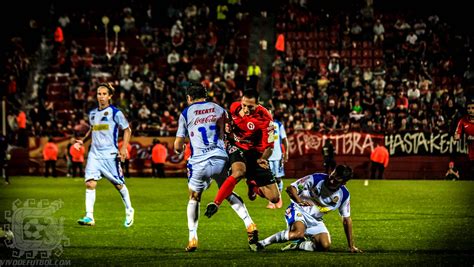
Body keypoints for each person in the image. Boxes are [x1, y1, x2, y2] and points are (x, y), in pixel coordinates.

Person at [252, 165, 362, 253]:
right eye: (331, 176)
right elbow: (291, 188)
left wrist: (351, 246)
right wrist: (299, 200)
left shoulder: (344, 195)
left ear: (343, 183)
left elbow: (346, 220)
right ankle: (262, 243)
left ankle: (299, 245)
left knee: (325, 245)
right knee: (298, 233)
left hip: (315, 220)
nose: (331, 181)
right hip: (298, 210)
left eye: (336, 180)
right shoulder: (316, 179)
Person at [205, 89, 280, 218]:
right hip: (237, 147)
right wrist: (226, 127)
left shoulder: (265, 118)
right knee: (239, 172)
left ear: (258, 104)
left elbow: (269, 147)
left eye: (250, 107)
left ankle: (253, 186)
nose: (245, 109)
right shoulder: (234, 107)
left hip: (256, 153)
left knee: (274, 198)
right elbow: (226, 119)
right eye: (244, 105)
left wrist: (263, 159)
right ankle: (216, 203)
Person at [173, 84, 230, 251]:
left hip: (199, 161)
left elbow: (178, 144)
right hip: (220, 157)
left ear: (189, 98)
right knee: (227, 190)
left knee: (194, 197)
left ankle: (192, 237)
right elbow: (229, 132)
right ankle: (249, 224)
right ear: (205, 96)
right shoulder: (219, 109)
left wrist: (179, 148)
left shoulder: (186, 112)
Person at [76, 83, 134, 227]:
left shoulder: (115, 112)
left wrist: (124, 148)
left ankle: (129, 209)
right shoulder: (93, 113)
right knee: (90, 183)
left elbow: (127, 130)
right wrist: (83, 141)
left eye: (104, 94)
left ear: (109, 96)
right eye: (98, 94)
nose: (101, 97)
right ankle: (89, 216)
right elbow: (92, 129)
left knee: (119, 184)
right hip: (94, 155)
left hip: (110, 155)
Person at [266, 107, 288, 209]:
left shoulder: (278, 125)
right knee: (268, 179)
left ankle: (279, 197)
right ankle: (271, 201)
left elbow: (284, 139)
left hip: (277, 156)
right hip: (267, 156)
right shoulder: (262, 125)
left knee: (278, 178)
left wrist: (286, 152)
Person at [455, 98, 474, 175]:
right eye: (469, 108)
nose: (470, 110)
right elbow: (457, 133)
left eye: (473, 108)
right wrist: (457, 136)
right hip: (471, 152)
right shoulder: (463, 121)